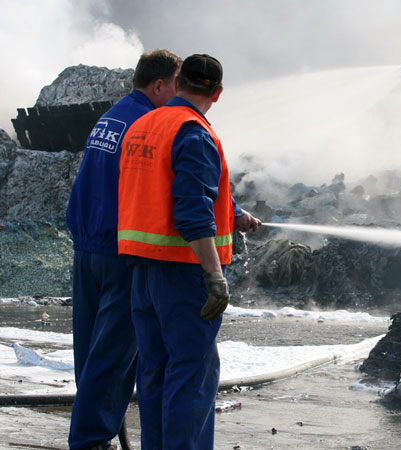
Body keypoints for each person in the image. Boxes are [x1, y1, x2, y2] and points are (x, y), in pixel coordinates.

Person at [117, 53, 259, 449]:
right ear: (217, 93)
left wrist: (233, 214)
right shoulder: (194, 132)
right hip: (184, 272)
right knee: (191, 375)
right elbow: (193, 213)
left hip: (142, 273)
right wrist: (214, 276)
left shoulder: (142, 126)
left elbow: (158, 192)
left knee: (155, 372)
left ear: (178, 83)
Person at [65, 49, 183, 450]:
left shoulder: (111, 118)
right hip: (120, 252)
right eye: (176, 86)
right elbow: (169, 182)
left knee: (91, 352)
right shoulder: (148, 124)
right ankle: (91, 441)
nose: (180, 96)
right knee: (115, 357)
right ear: (158, 85)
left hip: (88, 250)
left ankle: (95, 434)